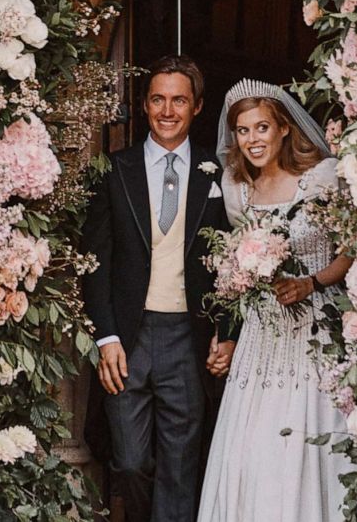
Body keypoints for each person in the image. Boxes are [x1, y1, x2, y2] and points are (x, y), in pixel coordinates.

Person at [81, 55, 238, 522]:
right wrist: (105, 336)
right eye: (157, 99)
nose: (167, 110)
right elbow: (95, 264)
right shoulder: (113, 170)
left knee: (180, 468)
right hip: (129, 337)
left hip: (189, 337)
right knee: (129, 461)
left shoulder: (221, 174)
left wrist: (226, 331)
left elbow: (237, 266)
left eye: (179, 100)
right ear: (145, 104)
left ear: (198, 107)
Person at [198, 79, 354, 522]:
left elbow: (354, 245)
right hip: (261, 334)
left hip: (315, 329)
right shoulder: (237, 189)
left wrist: (313, 282)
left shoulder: (322, 178)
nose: (252, 140)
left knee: (304, 434)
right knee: (253, 443)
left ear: (284, 128)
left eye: (261, 128)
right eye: (243, 131)